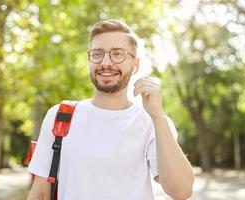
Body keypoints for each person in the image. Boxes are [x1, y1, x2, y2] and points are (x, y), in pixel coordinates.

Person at [27, 19, 194, 200]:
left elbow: (181, 191)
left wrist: (158, 117)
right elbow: (40, 194)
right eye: (97, 54)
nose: (106, 62)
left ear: (135, 64)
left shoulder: (152, 121)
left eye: (117, 54)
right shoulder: (60, 116)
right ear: (89, 61)